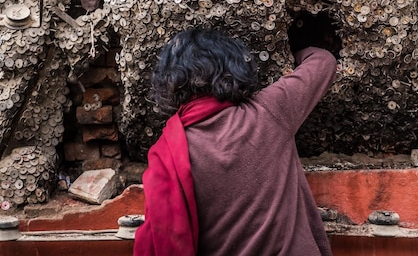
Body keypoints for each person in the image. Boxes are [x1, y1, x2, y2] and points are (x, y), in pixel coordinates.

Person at [134, 27, 337, 256]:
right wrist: (292, 52)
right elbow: (323, 62)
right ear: (235, 69)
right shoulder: (268, 111)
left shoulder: (169, 151)